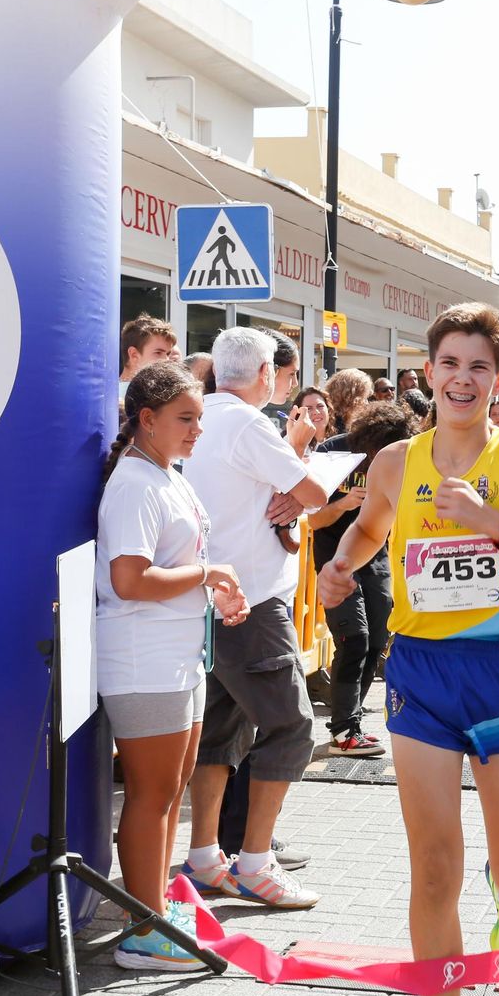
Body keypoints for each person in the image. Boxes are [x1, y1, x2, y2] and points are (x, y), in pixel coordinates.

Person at [317, 303, 499, 996]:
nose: (462, 379)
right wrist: (340, 566)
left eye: (478, 367)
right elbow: (370, 530)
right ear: (428, 372)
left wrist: (495, 525)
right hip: (420, 674)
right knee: (434, 867)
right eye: (450, 364)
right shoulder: (393, 463)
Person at [96, 362, 249, 970]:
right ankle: (143, 929)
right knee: (152, 795)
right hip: (143, 661)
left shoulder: (162, 474)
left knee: (166, 794)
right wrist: (210, 577)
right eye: (186, 419)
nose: (196, 431)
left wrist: (214, 591)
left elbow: (176, 563)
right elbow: (129, 580)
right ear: (147, 419)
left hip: (176, 657)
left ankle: (155, 908)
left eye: (200, 419)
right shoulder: (135, 482)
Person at [181, 327, 331, 909]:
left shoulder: (203, 418)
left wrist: (292, 490)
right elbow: (315, 491)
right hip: (250, 602)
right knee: (291, 726)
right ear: (267, 374)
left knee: (219, 731)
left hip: (212, 598)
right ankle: (255, 861)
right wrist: (297, 488)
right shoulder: (247, 423)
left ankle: (203, 856)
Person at [309, 400, 418, 756]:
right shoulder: (333, 452)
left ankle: (351, 724)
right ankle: (342, 730)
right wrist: (343, 504)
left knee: (376, 641)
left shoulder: (403, 457)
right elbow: (313, 520)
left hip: (378, 557)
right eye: (376, 449)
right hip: (336, 558)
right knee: (353, 638)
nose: (381, 456)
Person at [120, 314, 179, 399]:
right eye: (158, 353)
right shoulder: (108, 398)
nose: (166, 360)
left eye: (167, 354)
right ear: (134, 355)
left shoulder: (163, 395)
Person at [325, 368, 375, 433]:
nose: (366, 403)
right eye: (364, 398)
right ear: (352, 397)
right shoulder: (331, 425)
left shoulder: (330, 419)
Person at [293, 386, 334, 450]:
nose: (316, 412)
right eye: (309, 408)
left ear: (328, 409)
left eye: (320, 406)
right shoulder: (291, 441)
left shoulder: (340, 441)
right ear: (299, 414)